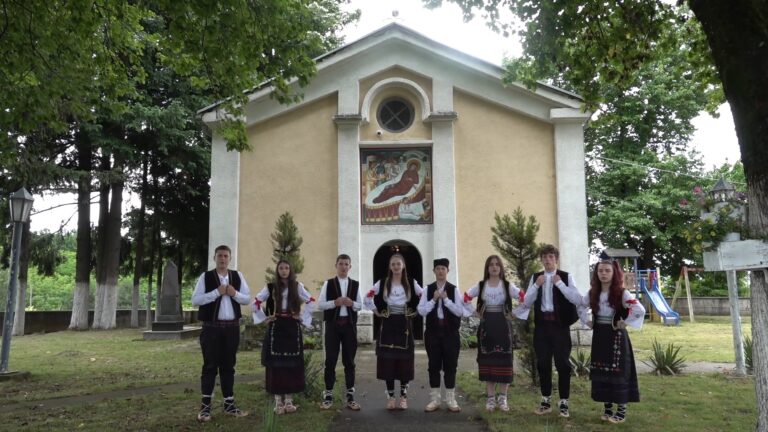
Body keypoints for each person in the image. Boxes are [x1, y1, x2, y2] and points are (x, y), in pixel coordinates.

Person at [520, 244, 583, 418]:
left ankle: (564, 402)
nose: (547, 260)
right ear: (541, 259)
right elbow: (526, 302)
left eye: (551, 256)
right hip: (542, 328)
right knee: (543, 364)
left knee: (563, 364)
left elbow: (577, 298)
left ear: (556, 258)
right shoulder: (536, 277)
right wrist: (535, 286)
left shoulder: (566, 277)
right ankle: (545, 400)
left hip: (560, 327)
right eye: (544, 257)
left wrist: (560, 284)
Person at [582, 252, 645, 423]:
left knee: (618, 372)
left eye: (607, 271)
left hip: (616, 337)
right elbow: (580, 305)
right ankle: (608, 409)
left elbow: (640, 309)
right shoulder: (593, 292)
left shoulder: (622, 293)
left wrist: (626, 322)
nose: (603, 273)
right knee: (602, 370)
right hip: (600, 336)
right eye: (600, 270)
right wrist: (586, 321)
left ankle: (621, 411)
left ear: (613, 273)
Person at [191, 245, 251, 422]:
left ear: (230, 259)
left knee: (228, 366)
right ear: (214, 258)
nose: (223, 259)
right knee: (210, 366)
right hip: (211, 328)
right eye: (220, 256)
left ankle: (229, 405)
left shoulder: (237, 276)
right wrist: (216, 292)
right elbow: (195, 300)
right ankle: (205, 408)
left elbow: (247, 298)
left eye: (226, 256)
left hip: (232, 328)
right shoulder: (206, 277)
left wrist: (234, 293)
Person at [252, 259, 315, 415]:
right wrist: (264, 318)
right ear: (277, 270)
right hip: (276, 326)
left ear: (290, 270)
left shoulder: (297, 286)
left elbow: (311, 301)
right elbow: (255, 302)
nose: (284, 270)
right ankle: (278, 403)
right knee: (276, 365)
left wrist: (300, 317)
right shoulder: (270, 287)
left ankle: (289, 401)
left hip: (292, 327)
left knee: (291, 364)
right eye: (281, 268)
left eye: (287, 267)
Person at [462, 255, 523, 412]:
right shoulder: (481, 285)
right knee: (488, 361)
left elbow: (524, 297)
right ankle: (490, 399)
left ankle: (503, 398)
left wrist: (515, 313)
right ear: (487, 268)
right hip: (486, 327)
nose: (494, 267)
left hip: (503, 326)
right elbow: (465, 298)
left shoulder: (507, 285)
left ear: (501, 267)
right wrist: (474, 312)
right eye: (491, 265)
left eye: (497, 264)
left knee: (504, 360)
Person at [364, 253, 424, 410]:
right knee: (387, 360)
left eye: (398, 264)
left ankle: (403, 396)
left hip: (404, 324)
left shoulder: (411, 282)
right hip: (388, 323)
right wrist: (376, 311)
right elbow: (367, 297)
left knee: (404, 361)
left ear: (403, 265)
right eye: (393, 264)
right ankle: (390, 396)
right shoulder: (383, 283)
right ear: (390, 267)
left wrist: (417, 311)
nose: (396, 267)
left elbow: (424, 296)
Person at [417, 258, 467, 412]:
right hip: (432, 332)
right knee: (433, 365)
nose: (440, 271)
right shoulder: (427, 289)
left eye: (443, 268)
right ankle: (435, 399)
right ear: (434, 271)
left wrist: (446, 300)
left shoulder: (454, 289)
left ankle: (451, 399)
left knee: (451, 365)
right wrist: (433, 299)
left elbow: (460, 311)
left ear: (447, 271)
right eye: (437, 268)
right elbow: (421, 310)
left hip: (450, 333)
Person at [317, 254, 363, 411]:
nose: (343, 267)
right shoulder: (328, 284)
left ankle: (350, 396)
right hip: (333, 326)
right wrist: (334, 303)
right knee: (330, 360)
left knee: (349, 361)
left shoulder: (355, 285)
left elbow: (360, 305)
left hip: (349, 326)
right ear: (336, 265)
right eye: (341, 264)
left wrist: (352, 303)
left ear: (350, 267)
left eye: (346, 264)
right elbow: (321, 304)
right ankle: (328, 394)